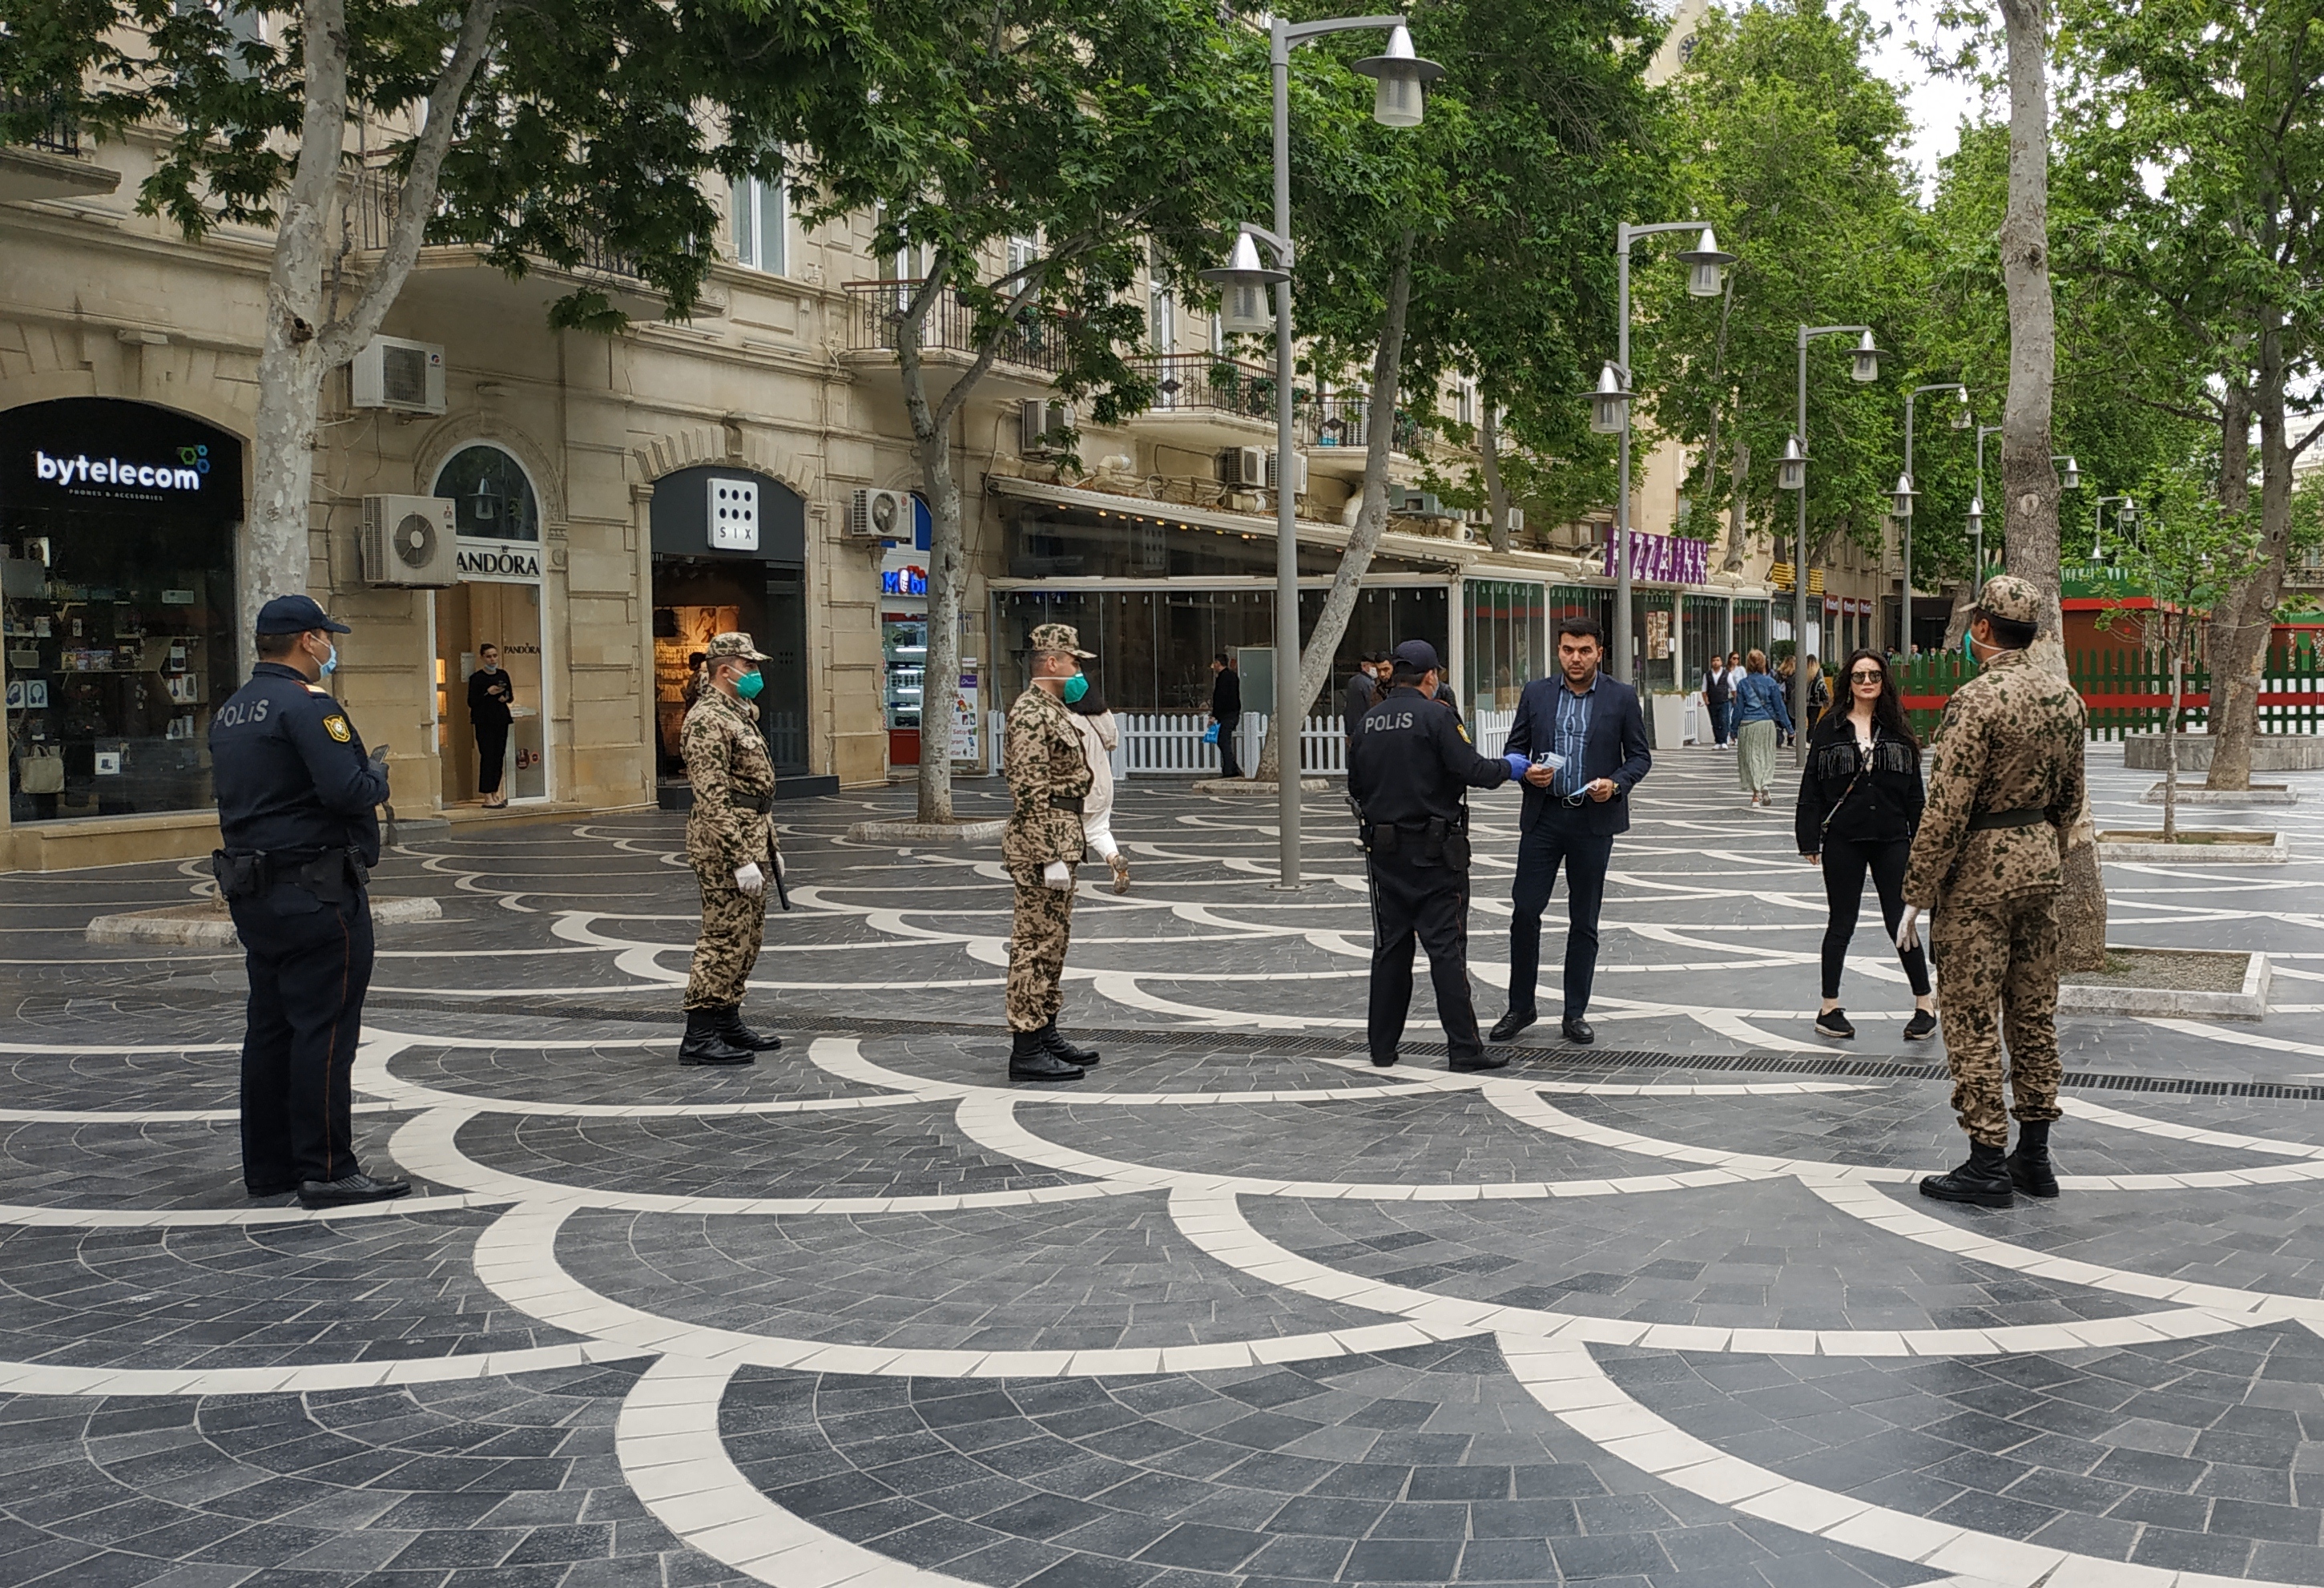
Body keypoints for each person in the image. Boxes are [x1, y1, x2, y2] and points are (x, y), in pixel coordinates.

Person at [208, 594, 406, 1209]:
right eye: (326, 637)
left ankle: (269, 1168)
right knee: (324, 1030)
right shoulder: (309, 705)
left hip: (255, 892)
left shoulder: (233, 710)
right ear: (307, 641)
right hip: (317, 893)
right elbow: (346, 790)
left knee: (270, 1029)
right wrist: (378, 777)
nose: (329, 648)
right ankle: (326, 1168)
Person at [1902, 575, 2088, 1207]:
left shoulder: (1975, 700)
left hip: (1979, 874)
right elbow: (2069, 799)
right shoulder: (2065, 699)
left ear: (1981, 627)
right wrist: (2041, 845)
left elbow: (1946, 807)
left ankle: (1985, 1161)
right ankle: (2032, 1156)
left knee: (1971, 1015)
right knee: (2033, 1013)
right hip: (2039, 864)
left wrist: (1915, 891)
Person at [1348, 639, 1524, 1070]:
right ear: (1431, 677)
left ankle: (1382, 1048)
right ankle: (1464, 1049)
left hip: (1385, 854)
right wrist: (1511, 767)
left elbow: (1356, 786)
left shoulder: (1369, 723)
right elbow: (1473, 770)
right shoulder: (1437, 716)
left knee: (1390, 950)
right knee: (1445, 950)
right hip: (1435, 853)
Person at [1491, 615, 1652, 1047]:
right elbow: (1514, 748)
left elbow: (1640, 756)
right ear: (1558, 651)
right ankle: (1521, 1007)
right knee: (1525, 911)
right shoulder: (1537, 693)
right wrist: (1526, 771)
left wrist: (1615, 784)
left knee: (1584, 919)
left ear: (1599, 652)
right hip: (1544, 817)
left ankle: (1574, 1012)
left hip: (1592, 821)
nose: (1575, 658)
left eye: (1584, 650)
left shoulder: (1621, 697)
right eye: (1567, 650)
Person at [1796, 648, 1936, 1042]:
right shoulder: (1830, 727)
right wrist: (1808, 837)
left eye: (1874, 675)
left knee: (1901, 921)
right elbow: (1811, 785)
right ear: (1849, 682)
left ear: (1883, 680)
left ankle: (1924, 1004)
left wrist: (1923, 841)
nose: (1867, 682)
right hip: (1844, 839)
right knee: (1841, 921)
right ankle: (1829, 1007)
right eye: (1859, 676)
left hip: (1893, 838)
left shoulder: (1897, 726)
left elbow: (1915, 794)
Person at [678, 631, 784, 1066]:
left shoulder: (737, 712)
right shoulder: (707, 720)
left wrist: (770, 848)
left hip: (752, 836)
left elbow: (754, 793)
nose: (755, 673)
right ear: (726, 670)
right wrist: (739, 858)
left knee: (747, 936)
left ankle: (726, 1019)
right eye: (749, 666)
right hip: (724, 846)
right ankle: (700, 1034)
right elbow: (713, 798)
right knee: (723, 937)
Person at [1005, 623, 1103, 1080]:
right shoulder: (1030, 712)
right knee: (1034, 944)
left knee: (1054, 942)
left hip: (1063, 835)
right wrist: (1047, 855)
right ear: (1051, 661)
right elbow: (1029, 789)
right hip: (1042, 842)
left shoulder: (1054, 709)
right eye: (1073, 661)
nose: (1078, 670)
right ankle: (1026, 1047)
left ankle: (1045, 1030)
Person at [1064, 667, 1130, 894]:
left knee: (1066, 830)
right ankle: (1114, 859)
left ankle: (1067, 878)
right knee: (1098, 829)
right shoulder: (1102, 714)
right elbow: (1112, 742)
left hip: (1073, 785)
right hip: (1101, 782)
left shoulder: (1062, 717)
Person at [1732, 649, 1792, 808]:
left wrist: (1733, 729)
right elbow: (1780, 707)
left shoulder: (1743, 684)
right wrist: (1789, 728)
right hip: (1767, 723)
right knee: (1767, 755)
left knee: (1751, 758)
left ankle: (1755, 795)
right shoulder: (1771, 683)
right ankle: (1765, 783)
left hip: (1748, 723)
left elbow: (1738, 709)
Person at [466, 643, 515, 808]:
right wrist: (488, 692)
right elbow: (472, 701)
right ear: (482, 658)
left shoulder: (503, 674)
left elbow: (510, 695)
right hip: (484, 721)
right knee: (488, 756)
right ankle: (487, 795)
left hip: (501, 719)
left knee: (498, 756)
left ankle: (495, 792)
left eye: (495, 656)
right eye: (489, 656)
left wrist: (505, 697)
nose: (493, 659)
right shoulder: (477, 678)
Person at [1208, 652, 1243, 780]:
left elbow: (1220, 698)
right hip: (1233, 713)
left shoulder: (1222, 679)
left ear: (1218, 663)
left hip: (1226, 715)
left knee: (1223, 741)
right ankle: (1232, 767)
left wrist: (1214, 715)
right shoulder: (1233, 677)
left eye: (1215, 663)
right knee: (1224, 740)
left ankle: (1230, 770)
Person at [1343, 651, 1385, 751]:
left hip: (1354, 729)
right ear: (1365, 666)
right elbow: (1373, 706)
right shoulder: (1369, 684)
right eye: (1374, 666)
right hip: (1366, 729)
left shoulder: (1352, 681)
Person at [1702, 655, 1731, 748]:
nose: (1716, 662)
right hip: (1712, 702)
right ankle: (1718, 741)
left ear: (1721, 662)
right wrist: (1706, 700)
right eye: (1714, 660)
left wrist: (1735, 698)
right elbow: (1704, 689)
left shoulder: (1726, 674)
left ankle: (1724, 741)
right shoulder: (1707, 675)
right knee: (1715, 722)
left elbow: (1733, 687)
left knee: (1724, 720)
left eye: (1718, 660)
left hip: (1724, 701)